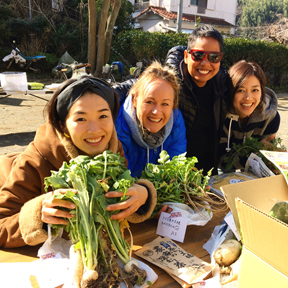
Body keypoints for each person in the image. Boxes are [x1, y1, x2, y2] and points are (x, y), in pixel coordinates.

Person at [0, 76, 157, 248]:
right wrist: (37, 215)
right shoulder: (34, 162)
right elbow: (2, 226)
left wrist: (144, 194)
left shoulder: (111, 149)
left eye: (103, 116)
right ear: (63, 125)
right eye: (81, 119)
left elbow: (120, 198)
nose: (94, 130)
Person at [164, 24, 232, 175]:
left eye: (213, 57)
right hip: (174, 175)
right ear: (186, 56)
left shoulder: (222, 85)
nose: (205, 63)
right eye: (198, 55)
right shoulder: (170, 83)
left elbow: (248, 97)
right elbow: (135, 88)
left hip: (209, 174)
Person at [115, 61, 187, 177]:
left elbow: (174, 174)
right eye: (149, 102)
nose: (156, 112)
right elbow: (122, 182)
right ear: (134, 100)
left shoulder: (176, 123)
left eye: (165, 104)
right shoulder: (117, 129)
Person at [218, 60, 280, 168]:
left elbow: (266, 158)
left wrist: (270, 156)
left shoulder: (271, 117)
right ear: (230, 91)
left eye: (255, 90)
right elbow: (220, 159)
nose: (248, 98)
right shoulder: (220, 115)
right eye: (240, 90)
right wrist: (252, 158)